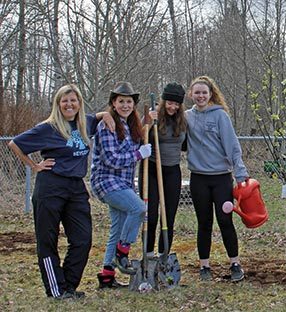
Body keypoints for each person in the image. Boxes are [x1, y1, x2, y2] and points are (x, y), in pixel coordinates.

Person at [8, 84, 114, 299]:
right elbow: (14, 143)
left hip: (76, 187)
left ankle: (68, 286)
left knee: (83, 239)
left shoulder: (85, 123)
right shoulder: (48, 128)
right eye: (64, 101)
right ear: (58, 104)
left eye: (73, 100)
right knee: (48, 239)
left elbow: (101, 115)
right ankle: (56, 290)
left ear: (79, 103)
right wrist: (34, 166)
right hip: (51, 186)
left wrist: (107, 116)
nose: (69, 104)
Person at [185, 76, 249, 282]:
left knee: (225, 221)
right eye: (197, 92)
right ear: (191, 95)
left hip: (221, 179)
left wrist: (240, 174)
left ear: (211, 94)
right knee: (204, 223)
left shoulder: (221, 116)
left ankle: (235, 263)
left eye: (204, 92)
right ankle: (204, 266)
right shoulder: (186, 117)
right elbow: (171, 130)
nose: (201, 96)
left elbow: (232, 146)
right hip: (199, 179)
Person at [91, 81, 151, 288]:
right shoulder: (106, 125)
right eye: (121, 101)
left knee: (116, 228)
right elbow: (112, 159)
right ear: (113, 104)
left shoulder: (131, 125)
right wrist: (138, 154)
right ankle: (122, 251)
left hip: (123, 183)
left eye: (129, 102)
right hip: (106, 180)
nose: (125, 105)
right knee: (138, 208)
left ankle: (107, 276)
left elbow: (136, 140)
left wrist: (146, 125)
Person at [140, 82, 187, 258]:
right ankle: (148, 254)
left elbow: (186, 145)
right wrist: (145, 122)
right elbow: (138, 138)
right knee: (150, 216)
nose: (172, 107)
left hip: (172, 171)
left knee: (168, 216)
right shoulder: (152, 117)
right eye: (169, 102)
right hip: (151, 169)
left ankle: (163, 255)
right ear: (163, 101)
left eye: (176, 104)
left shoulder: (183, 121)